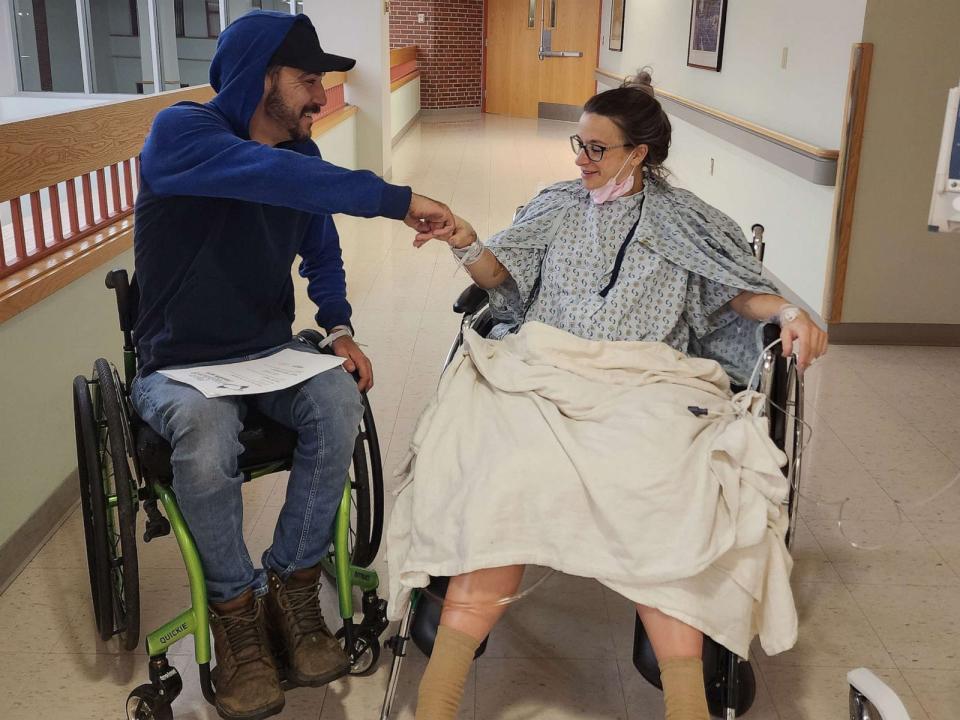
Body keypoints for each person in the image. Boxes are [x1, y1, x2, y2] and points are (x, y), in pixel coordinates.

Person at [387, 72, 828, 720]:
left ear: (638, 153)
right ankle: (438, 700)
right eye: (579, 143)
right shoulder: (557, 204)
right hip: (544, 365)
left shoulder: (688, 220)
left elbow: (735, 290)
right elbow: (502, 274)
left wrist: (789, 310)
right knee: (501, 475)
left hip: (647, 380)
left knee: (667, 492)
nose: (580, 159)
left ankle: (687, 705)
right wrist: (462, 237)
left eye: (596, 148)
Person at [130, 10, 453, 720]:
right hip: (179, 363)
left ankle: (294, 588)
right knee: (206, 435)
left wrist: (338, 329)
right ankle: (236, 615)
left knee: (340, 402)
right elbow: (262, 174)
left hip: (266, 351)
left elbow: (321, 249)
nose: (321, 95)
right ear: (259, 78)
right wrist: (397, 201)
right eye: (309, 80)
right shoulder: (182, 135)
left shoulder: (302, 163)